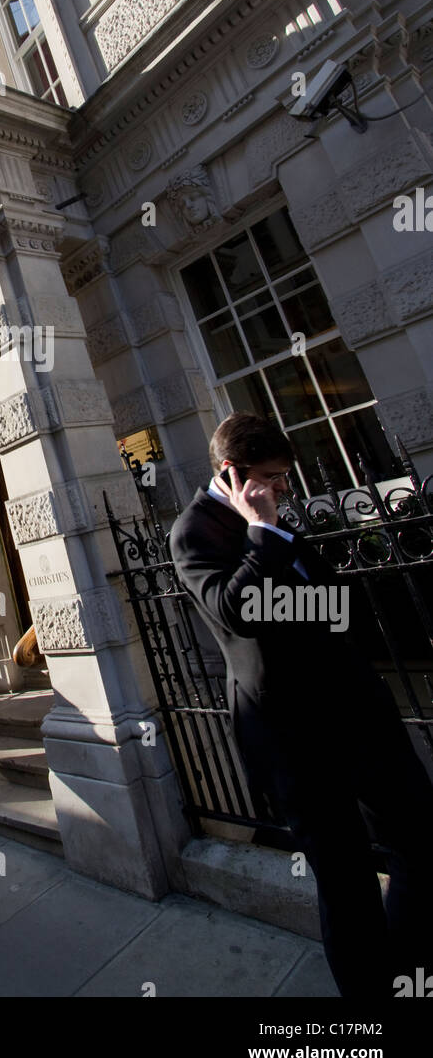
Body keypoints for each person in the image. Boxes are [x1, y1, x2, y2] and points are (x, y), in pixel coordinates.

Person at [169, 411, 433, 998]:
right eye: (274, 479)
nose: (285, 491)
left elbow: (326, 603)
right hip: (293, 737)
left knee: (419, 835)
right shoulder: (194, 530)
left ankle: (411, 974)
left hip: (358, 716)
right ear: (236, 474)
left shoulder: (276, 516)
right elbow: (234, 613)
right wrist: (261, 532)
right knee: (347, 881)